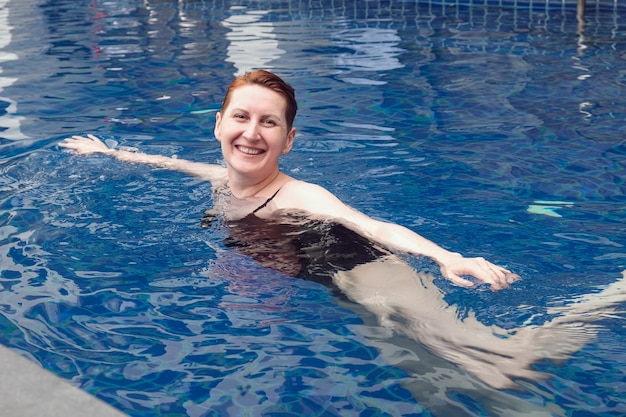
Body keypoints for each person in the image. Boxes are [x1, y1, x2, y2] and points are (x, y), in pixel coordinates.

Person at [60, 70, 626, 393]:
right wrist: (111, 153)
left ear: (288, 140)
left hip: (366, 271)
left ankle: (615, 294)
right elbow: (172, 164)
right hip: (337, 288)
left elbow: (370, 224)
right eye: (241, 116)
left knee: (505, 367)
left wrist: (446, 256)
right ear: (219, 124)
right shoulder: (220, 178)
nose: (251, 133)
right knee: (437, 385)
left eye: (269, 122)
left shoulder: (303, 195)